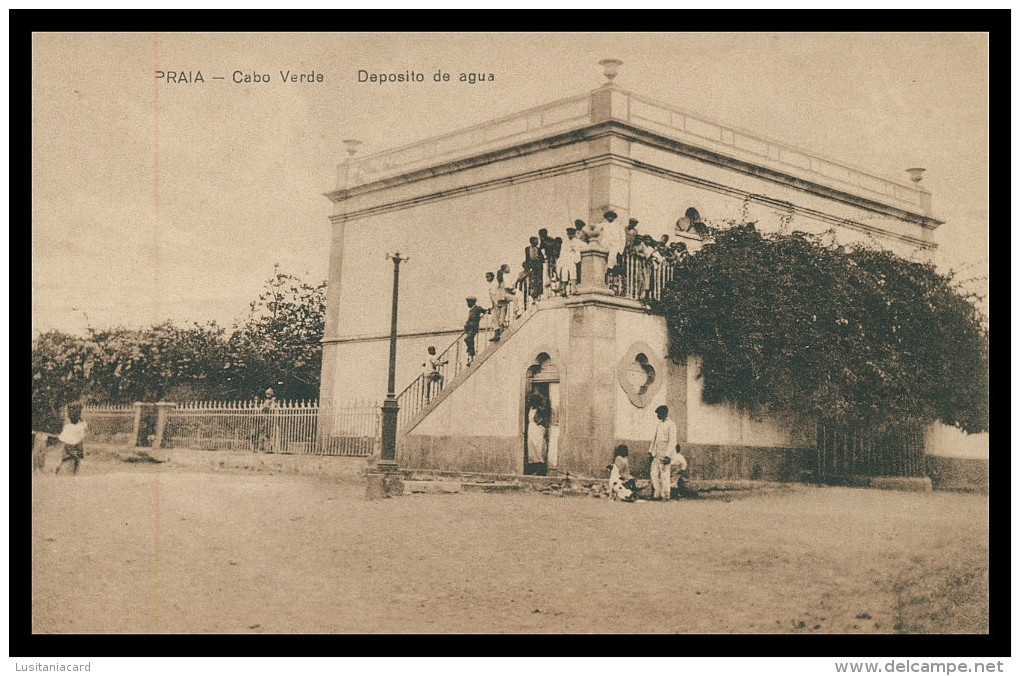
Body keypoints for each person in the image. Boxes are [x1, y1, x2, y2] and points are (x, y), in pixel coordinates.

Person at [647, 405, 678, 501]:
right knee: (653, 474)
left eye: (658, 414)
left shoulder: (671, 425)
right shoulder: (659, 424)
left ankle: (666, 495)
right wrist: (651, 452)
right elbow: (655, 439)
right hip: (656, 454)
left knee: (664, 475)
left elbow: (672, 441)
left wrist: (668, 456)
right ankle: (657, 494)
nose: (657, 416)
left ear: (663, 413)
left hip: (664, 455)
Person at [55, 403, 87, 475]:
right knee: (77, 459)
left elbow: (62, 437)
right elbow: (83, 431)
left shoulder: (67, 426)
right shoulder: (81, 426)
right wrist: (80, 418)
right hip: (77, 444)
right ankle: (74, 472)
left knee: (65, 458)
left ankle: (59, 467)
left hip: (69, 445)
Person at [525, 394, 549, 476]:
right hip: (532, 429)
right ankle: (534, 468)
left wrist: (537, 422)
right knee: (532, 449)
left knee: (538, 448)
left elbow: (540, 420)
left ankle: (541, 469)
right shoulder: (531, 409)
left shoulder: (540, 410)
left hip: (537, 429)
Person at [463, 296, 489, 366]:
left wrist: (482, 315)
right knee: (470, 340)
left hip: (473, 327)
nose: (467, 304)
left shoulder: (477, 308)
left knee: (467, 339)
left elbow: (485, 311)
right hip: (469, 328)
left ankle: (471, 352)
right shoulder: (471, 309)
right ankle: (470, 355)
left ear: (472, 302)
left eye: (468, 302)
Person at [557, 227, 581, 296]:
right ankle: (563, 291)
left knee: (573, 274)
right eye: (569, 234)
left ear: (574, 234)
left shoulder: (576, 241)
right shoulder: (565, 242)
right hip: (565, 259)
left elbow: (580, 248)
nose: (570, 235)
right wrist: (560, 261)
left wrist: (575, 249)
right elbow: (562, 252)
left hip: (571, 259)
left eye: (571, 234)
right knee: (564, 275)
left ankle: (574, 290)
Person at [523, 236, 544, 301]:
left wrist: (540, 260)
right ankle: (534, 296)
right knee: (533, 281)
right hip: (532, 266)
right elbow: (527, 258)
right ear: (532, 241)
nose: (537, 242)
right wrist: (527, 267)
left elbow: (541, 257)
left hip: (538, 267)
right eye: (536, 241)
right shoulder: (527, 249)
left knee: (539, 281)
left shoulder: (538, 249)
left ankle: (539, 295)